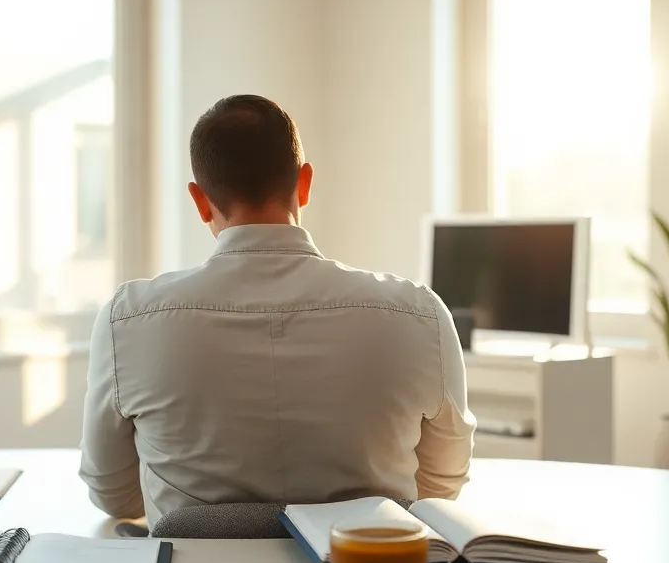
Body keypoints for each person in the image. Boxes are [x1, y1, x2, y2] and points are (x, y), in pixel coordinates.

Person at [78, 94, 474, 528]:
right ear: (304, 182)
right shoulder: (419, 314)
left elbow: (114, 496)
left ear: (199, 199)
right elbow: (441, 487)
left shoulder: (127, 319)